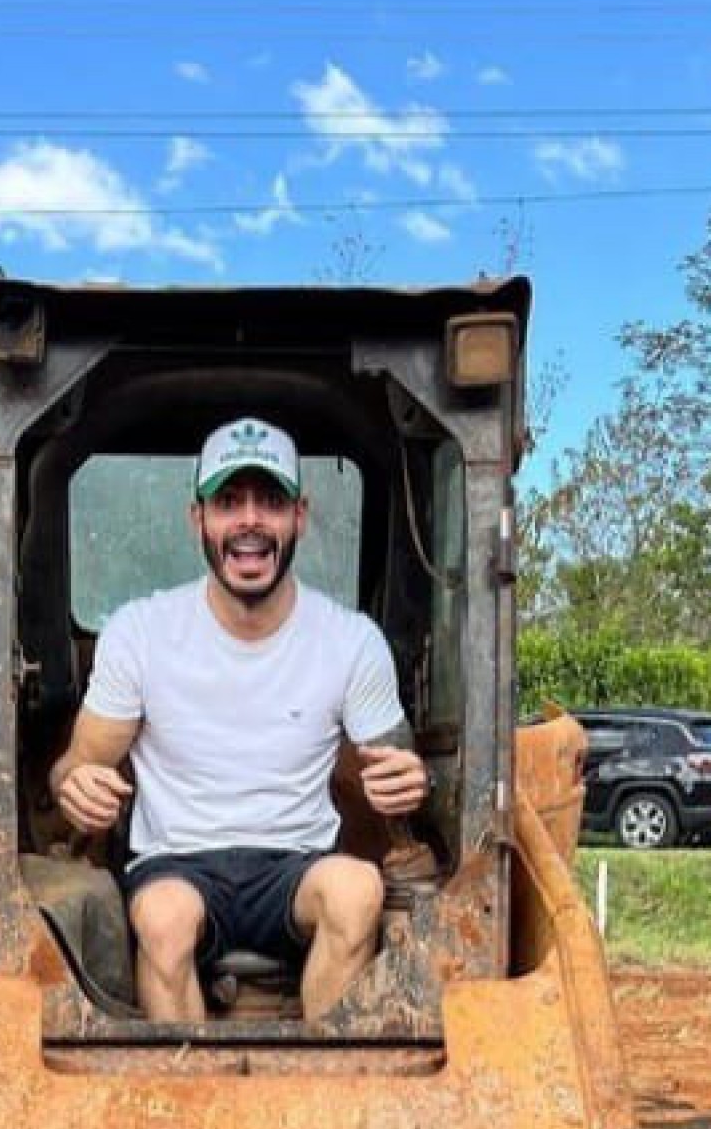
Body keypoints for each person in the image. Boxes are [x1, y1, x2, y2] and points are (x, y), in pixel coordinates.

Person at [50, 417, 429, 1021]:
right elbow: (76, 766)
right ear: (198, 519)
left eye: (271, 502)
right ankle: (182, 1077)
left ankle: (324, 1069)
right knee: (164, 919)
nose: (250, 520)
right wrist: (74, 785)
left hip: (297, 864)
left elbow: (399, 772)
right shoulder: (140, 633)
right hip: (176, 863)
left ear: (299, 516)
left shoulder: (351, 641)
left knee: (358, 892)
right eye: (228, 502)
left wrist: (410, 782)